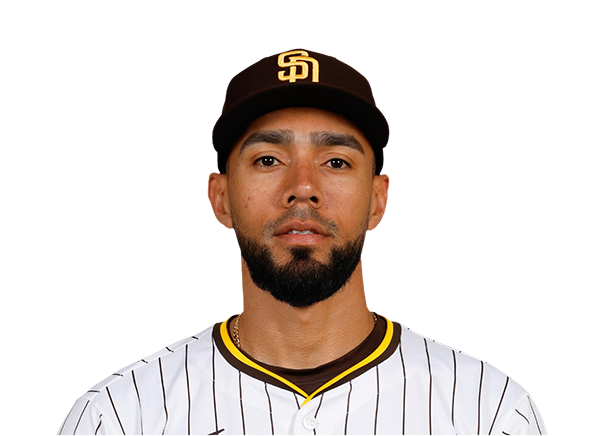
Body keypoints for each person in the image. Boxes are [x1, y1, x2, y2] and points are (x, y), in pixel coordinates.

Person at [58, 50, 547, 435]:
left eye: (336, 161)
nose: (303, 185)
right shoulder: (123, 416)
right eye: (268, 159)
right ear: (220, 198)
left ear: (378, 200)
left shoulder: (486, 411)